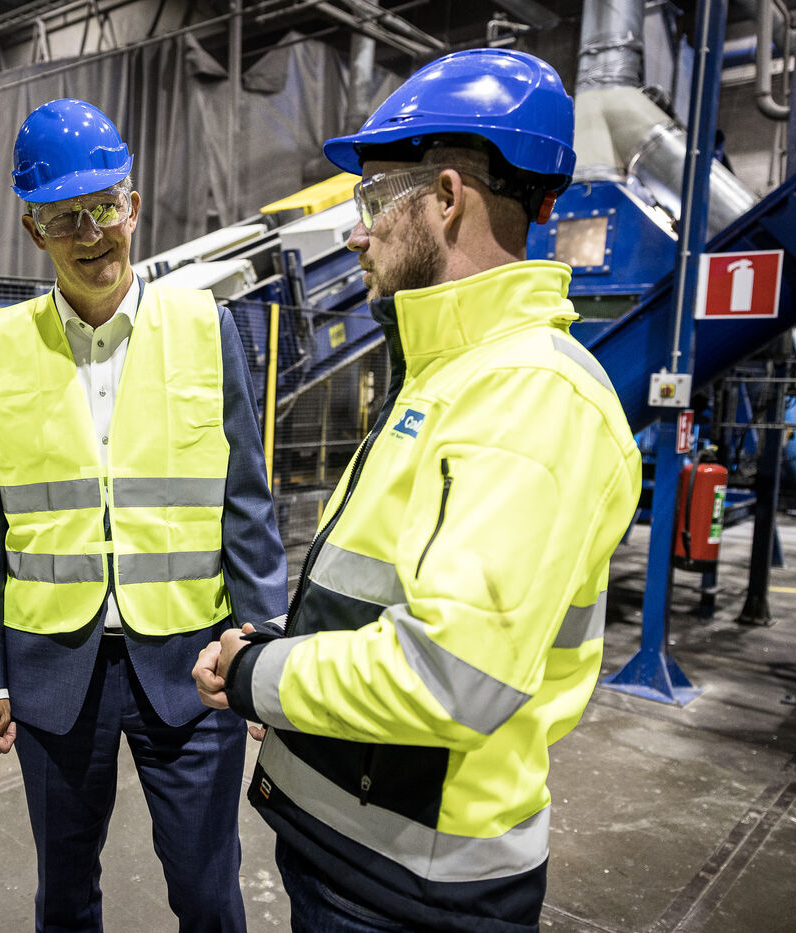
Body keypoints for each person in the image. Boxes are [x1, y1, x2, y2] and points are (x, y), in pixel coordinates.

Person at [194, 49, 642, 933]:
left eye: (371, 200)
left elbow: (448, 675)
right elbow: (383, 593)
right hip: (357, 849)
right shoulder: (447, 374)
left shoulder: (529, 396)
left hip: (415, 885)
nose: (356, 234)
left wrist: (258, 676)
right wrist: (289, 647)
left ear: (445, 197)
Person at [0, 98, 288, 933]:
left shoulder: (206, 328)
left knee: (208, 893)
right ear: (34, 230)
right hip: (53, 673)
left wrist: (264, 654)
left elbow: (247, 505)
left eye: (103, 207)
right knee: (65, 895)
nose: (91, 233)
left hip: (194, 664)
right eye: (64, 216)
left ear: (132, 206)